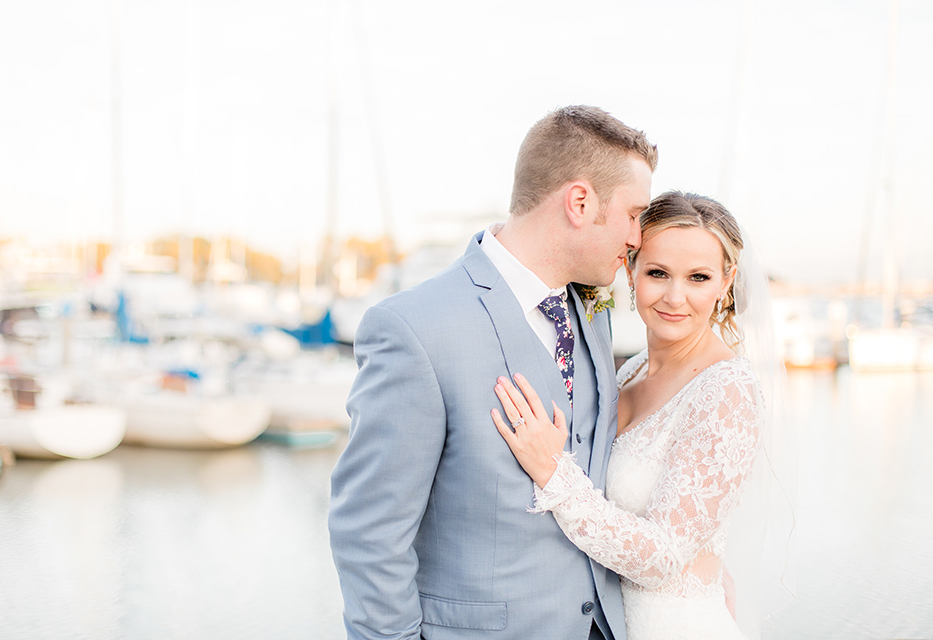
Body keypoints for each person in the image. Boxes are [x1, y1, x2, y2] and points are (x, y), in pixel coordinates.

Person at [328, 106, 657, 639]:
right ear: (579, 202)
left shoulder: (593, 315)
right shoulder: (414, 329)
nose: (638, 236)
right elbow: (369, 534)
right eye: (633, 213)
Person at [491, 191, 779, 639]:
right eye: (658, 272)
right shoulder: (632, 371)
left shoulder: (727, 391)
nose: (674, 296)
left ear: (727, 282)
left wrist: (553, 473)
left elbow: (665, 558)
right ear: (631, 270)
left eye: (698, 277)